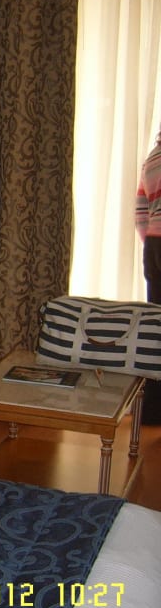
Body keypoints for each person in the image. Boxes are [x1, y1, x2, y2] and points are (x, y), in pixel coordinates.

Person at [135, 126, 161, 424]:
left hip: (154, 246)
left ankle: (152, 410)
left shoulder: (153, 157)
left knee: (157, 330)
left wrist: (151, 242)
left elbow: (140, 211)